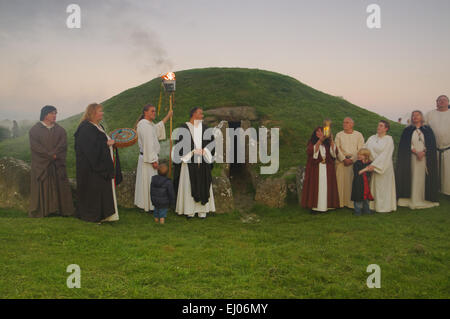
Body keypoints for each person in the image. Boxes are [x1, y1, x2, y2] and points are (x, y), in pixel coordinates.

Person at [74, 103, 122, 223]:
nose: (102, 113)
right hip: (90, 168)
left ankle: (105, 215)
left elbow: (100, 142)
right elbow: (89, 148)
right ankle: (93, 216)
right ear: (93, 113)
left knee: (102, 191)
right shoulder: (85, 128)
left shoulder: (98, 126)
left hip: (101, 164)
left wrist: (110, 144)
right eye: (100, 111)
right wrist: (106, 144)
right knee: (93, 192)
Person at [28, 105, 74, 218]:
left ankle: (61, 210)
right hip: (42, 165)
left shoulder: (60, 130)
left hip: (56, 163)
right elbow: (35, 147)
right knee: (44, 185)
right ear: (45, 114)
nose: (55, 115)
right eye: (52, 113)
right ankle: (44, 210)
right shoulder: (34, 130)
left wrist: (55, 154)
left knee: (59, 185)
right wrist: (49, 155)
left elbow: (62, 145)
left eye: (55, 113)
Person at [173, 107, 216, 218]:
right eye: (200, 113)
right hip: (189, 162)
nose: (202, 116)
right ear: (193, 114)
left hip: (203, 161)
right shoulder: (183, 128)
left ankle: (202, 211)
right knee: (189, 185)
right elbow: (179, 145)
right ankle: (189, 211)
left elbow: (212, 144)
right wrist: (192, 151)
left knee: (203, 183)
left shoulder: (206, 128)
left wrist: (204, 151)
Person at [397, 111, 439, 209]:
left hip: (425, 158)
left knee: (422, 176)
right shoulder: (407, 130)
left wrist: (424, 152)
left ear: (421, 117)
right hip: (411, 157)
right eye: (413, 115)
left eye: (417, 115)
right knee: (412, 175)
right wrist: (416, 152)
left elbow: (431, 144)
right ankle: (411, 197)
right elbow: (405, 144)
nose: (415, 117)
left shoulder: (427, 129)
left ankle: (422, 198)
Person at [134, 105, 172, 213]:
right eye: (152, 111)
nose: (154, 113)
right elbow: (148, 144)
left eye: (155, 111)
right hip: (148, 160)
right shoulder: (144, 126)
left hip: (148, 158)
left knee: (150, 183)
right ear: (145, 112)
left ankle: (150, 204)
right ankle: (149, 206)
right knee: (150, 183)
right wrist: (153, 160)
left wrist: (168, 116)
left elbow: (157, 128)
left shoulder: (149, 125)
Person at [301, 126, 340, 212]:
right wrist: (320, 141)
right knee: (316, 187)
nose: (318, 133)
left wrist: (331, 140)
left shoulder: (328, 143)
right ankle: (315, 207)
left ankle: (327, 206)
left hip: (327, 169)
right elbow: (311, 151)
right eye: (317, 132)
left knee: (326, 187)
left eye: (321, 132)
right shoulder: (312, 142)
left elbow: (334, 153)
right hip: (316, 169)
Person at [364, 120, 397, 213]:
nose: (379, 127)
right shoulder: (372, 138)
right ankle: (374, 206)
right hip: (373, 165)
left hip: (384, 167)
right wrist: (366, 159)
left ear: (386, 128)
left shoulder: (389, 139)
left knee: (383, 188)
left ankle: (385, 207)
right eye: (378, 125)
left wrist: (374, 165)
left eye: (381, 126)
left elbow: (386, 154)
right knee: (376, 187)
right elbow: (365, 148)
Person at [334, 117, 365, 208]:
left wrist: (352, 159)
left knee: (352, 184)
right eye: (344, 122)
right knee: (340, 183)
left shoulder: (358, 135)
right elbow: (337, 148)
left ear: (352, 124)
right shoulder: (339, 135)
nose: (344, 124)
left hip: (354, 162)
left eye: (347, 122)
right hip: (342, 162)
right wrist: (343, 159)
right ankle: (340, 203)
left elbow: (361, 148)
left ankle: (351, 203)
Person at [425, 95, 450, 195]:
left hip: (448, 148)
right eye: (440, 100)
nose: (442, 102)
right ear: (436, 102)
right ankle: (435, 191)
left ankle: (447, 191)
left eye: (444, 100)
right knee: (434, 171)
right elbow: (422, 127)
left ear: (448, 102)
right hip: (434, 148)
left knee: (448, 172)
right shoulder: (430, 114)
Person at [351, 148, 374, 215]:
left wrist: (370, 169)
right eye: (358, 154)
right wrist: (366, 169)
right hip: (358, 183)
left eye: (361, 155)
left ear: (366, 156)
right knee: (358, 198)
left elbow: (370, 171)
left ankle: (367, 211)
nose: (359, 156)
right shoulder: (356, 163)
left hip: (366, 183)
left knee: (366, 198)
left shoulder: (369, 163)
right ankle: (357, 212)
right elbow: (358, 173)